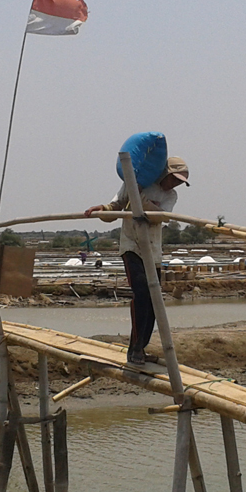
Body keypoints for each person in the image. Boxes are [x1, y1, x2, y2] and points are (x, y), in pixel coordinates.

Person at [84, 157, 190, 366]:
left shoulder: (170, 195)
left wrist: (141, 200)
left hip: (153, 252)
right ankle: (134, 349)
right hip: (132, 246)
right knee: (141, 294)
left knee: (154, 302)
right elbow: (115, 207)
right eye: (174, 179)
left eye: (179, 181)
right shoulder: (135, 183)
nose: (175, 184)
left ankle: (141, 347)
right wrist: (101, 210)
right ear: (164, 173)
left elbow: (160, 216)